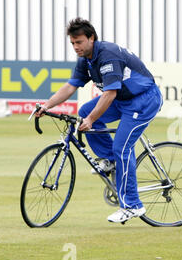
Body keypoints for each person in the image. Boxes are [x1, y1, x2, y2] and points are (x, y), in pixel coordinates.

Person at [36, 17, 163, 223]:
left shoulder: (108, 55)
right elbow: (70, 86)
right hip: (124, 100)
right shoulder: (85, 59)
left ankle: (133, 205)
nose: (75, 47)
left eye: (79, 42)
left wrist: (92, 119)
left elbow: (110, 94)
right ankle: (111, 161)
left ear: (91, 38)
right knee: (85, 111)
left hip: (143, 101)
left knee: (121, 147)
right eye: (72, 43)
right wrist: (47, 105)